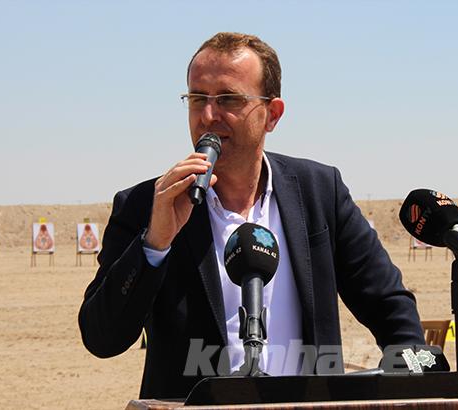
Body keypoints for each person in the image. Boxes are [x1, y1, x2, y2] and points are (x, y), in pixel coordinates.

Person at [78, 32, 424, 399]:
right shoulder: (146, 204)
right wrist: (154, 244)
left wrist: (413, 374)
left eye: (228, 99)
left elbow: (389, 305)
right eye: (197, 99)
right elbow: (102, 338)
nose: (208, 116)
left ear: (272, 114)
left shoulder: (321, 191)